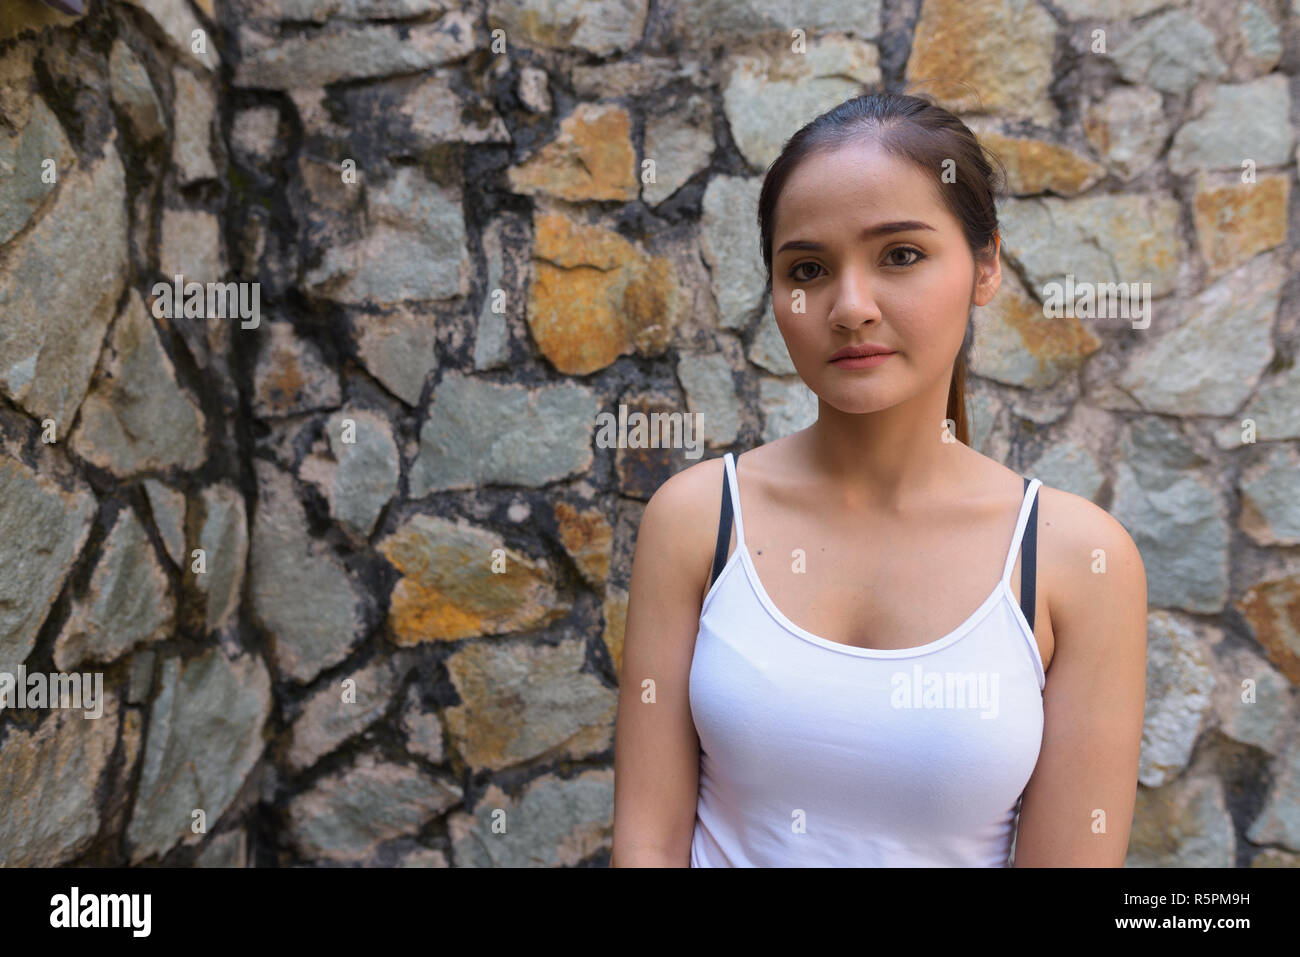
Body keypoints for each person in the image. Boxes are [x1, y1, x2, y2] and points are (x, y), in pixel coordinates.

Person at [611, 90, 1148, 867]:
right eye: (809, 268)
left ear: (986, 264)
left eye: (900, 254)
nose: (850, 306)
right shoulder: (697, 520)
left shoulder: (1076, 561)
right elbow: (647, 843)